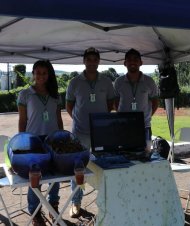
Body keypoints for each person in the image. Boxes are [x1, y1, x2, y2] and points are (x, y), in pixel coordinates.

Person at [65, 47, 115, 217]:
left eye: (95, 59)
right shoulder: (75, 82)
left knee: (105, 166)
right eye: (89, 59)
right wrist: (80, 121)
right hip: (79, 133)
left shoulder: (107, 81)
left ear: (99, 61)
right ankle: (76, 203)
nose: (92, 62)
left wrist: (100, 122)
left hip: (101, 133)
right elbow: (69, 106)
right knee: (78, 168)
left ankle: (106, 201)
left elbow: (110, 104)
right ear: (84, 61)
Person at [17, 60, 63, 226]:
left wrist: (61, 137)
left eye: (44, 73)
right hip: (33, 141)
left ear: (49, 74)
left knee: (55, 176)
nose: (41, 76)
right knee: (35, 178)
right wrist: (21, 142)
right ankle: (35, 211)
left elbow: (58, 119)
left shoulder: (55, 95)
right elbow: (22, 120)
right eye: (38, 72)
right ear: (33, 73)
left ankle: (53, 205)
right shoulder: (25, 94)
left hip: (52, 140)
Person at [114, 48, 159, 144]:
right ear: (125, 63)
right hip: (123, 126)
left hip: (144, 126)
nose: (132, 62)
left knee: (144, 155)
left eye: (135, 59)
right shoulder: (119, 81)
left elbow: (155, 103)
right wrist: (122, 116)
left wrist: (147, 117)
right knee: (123, 154)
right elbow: (115, 102)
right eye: (129, 59)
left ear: (141, 62)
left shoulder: (149, 81)